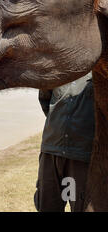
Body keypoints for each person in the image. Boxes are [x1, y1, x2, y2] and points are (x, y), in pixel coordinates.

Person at [34, 72, 95, 212]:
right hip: (51, 150)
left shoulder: (100, 70)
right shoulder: (58, 68)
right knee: (47, 206)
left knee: (82, 207)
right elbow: (45, 98)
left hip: (81, 155)